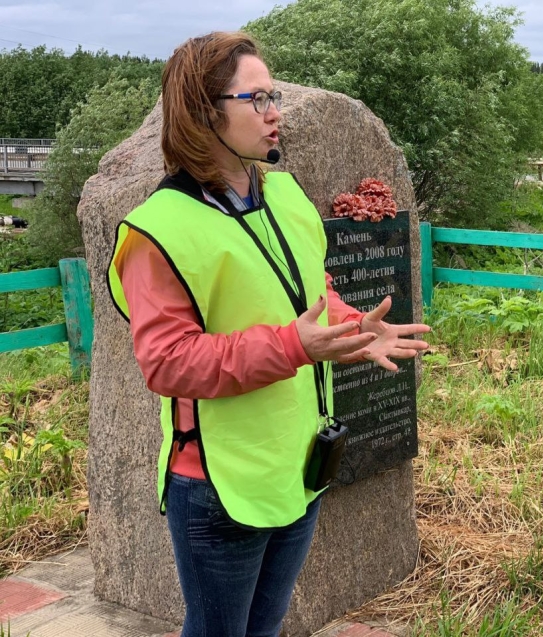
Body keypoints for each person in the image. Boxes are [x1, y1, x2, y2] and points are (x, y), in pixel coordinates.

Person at [106, 31, 430, 637]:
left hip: (298, 464)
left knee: (267, 627)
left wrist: (355, 330)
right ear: (205, 113)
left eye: (272, 94)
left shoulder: (281, 190)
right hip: (218, 487)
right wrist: (294, 347)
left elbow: (307, 289)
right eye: (256, 98)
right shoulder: (158, 232)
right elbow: (168, 364)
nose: (275, 111)